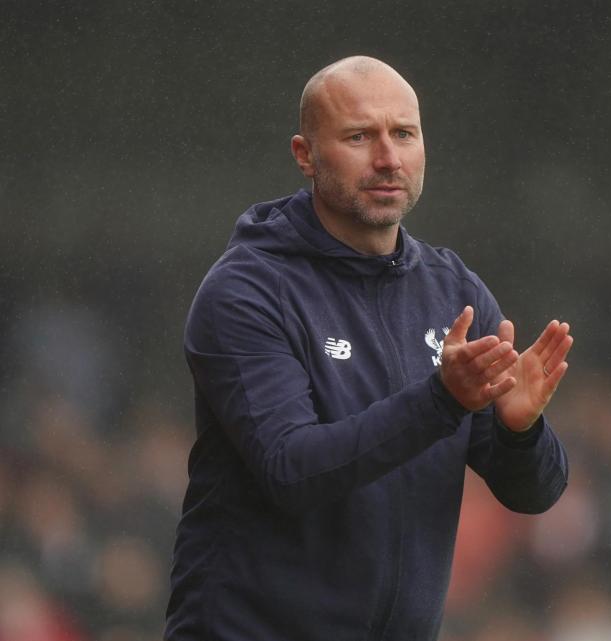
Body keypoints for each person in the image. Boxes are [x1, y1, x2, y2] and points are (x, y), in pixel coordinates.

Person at [165, 56, 573, 641]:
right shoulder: (247, 290)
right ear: (305, 154)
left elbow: (533, 493)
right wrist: (441, 400)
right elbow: (290, 469)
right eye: (359, 137)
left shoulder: (453, 292)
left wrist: (519, 431)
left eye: (403, 134)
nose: (387, 158)